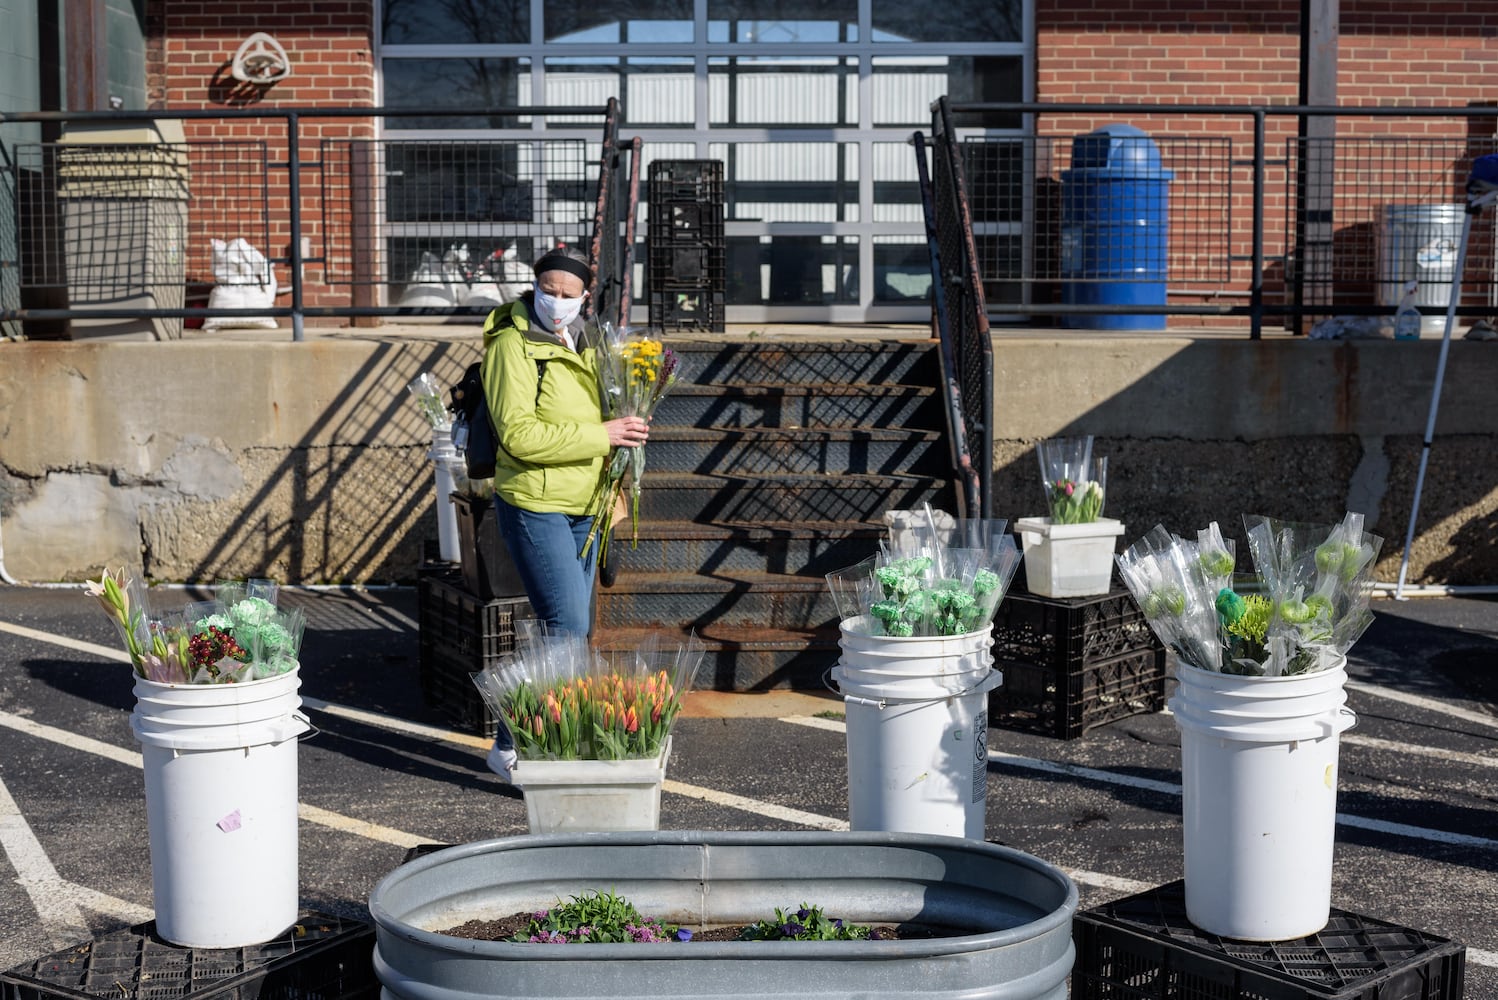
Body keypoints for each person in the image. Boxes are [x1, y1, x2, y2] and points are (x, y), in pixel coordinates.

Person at [479, 246, 649, 640]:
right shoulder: (513, 345)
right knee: (567, 624)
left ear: (584, 298)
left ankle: (549, 699)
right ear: (534, 288)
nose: (556, 302)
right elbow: (518, 436)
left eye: (568, 295)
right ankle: (554, 703)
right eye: (547, 290)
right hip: (537, 503)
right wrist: (603, 435)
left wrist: (630, 420)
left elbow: (599, 412)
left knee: (572, 625)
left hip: (586, 503)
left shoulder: (589, 343)